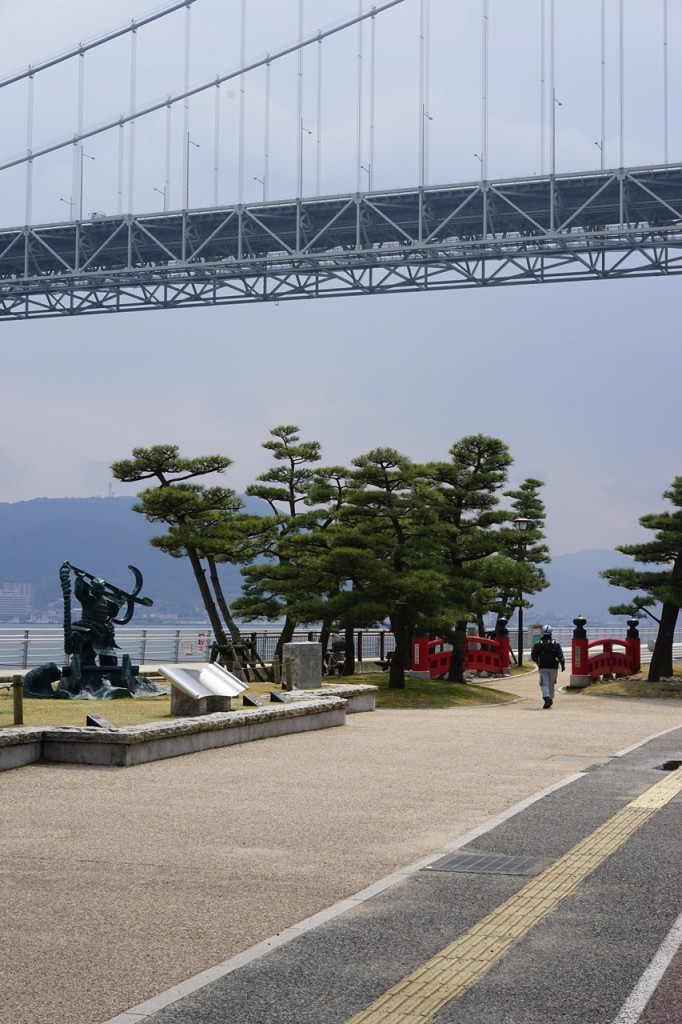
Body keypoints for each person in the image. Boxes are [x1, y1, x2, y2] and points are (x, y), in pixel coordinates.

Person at [531, 625, 565, 709]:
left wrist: (537, 661)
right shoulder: (555, 644)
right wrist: (562, 664)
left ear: (543, 633)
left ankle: (546, 699)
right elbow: (560, 655)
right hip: (554, 667)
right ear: (551, 633)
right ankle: (550, 699)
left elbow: (533, 655)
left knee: (544, 684)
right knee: (551, 684)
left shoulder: (538, 644)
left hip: (543, 667)